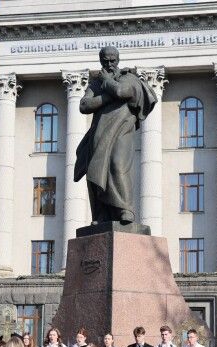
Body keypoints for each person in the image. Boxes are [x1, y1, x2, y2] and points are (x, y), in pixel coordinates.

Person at [75, 45, 157, 224]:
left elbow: (123, 91)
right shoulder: (96, 83)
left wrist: (108, 85)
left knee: (117, 164)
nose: (109, 64)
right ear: (101, 61)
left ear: (118, 60)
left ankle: (125, 210)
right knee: (96, 172)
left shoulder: (128, 77)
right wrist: (107, 96)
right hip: (99, 133)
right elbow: (84, 106)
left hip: (122, 129)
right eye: (105, 61)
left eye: (112, 60)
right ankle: (101, 215)